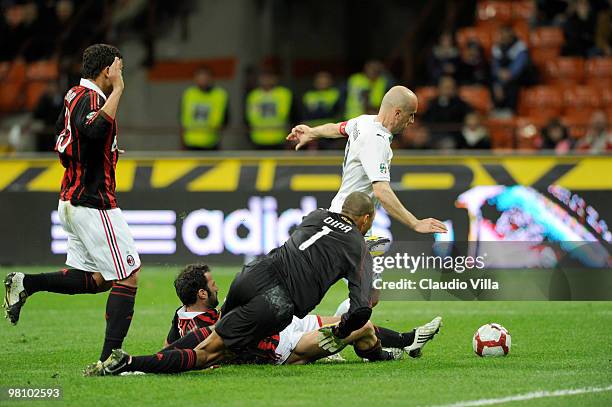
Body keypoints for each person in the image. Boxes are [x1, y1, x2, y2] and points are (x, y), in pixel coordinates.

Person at [87, 192, 403, 375]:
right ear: (366, 219)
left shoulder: (317, 215)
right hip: (279, 301)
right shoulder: (358, 247)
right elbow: (363, 308)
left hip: (253, 272)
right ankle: (129, 362)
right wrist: (342, 328)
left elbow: (323, 244)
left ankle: (143, 359)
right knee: (210, 354)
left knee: (214, 332)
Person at [3, 44, 141, 364]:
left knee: (98, 280)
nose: (121, 74)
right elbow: (93, 131)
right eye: (119, 68)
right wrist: (118, 91)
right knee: (128, 275)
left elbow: (68, 139)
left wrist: (108, 154)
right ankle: (111, 361)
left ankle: (27, 283)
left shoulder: (73, 96)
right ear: (107, 70)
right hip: (93, 202)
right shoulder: (93, 98)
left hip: (74, 199)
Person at [286, 86, 447, 322]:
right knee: (326, 290)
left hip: (353, 222)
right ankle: (307, 337)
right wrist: (415, 224)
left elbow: (338, 128)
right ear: (397, 113)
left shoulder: (364, 122)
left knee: (369, 295)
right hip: (345, 224)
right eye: (411, 114)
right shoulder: (376, 141)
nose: (412, 121)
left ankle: (328, 338)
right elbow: (381, 190)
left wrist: (312, 132)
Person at [158, 264, 439, 366]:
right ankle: (389, 351)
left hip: (279, 326)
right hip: (283, 349)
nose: (217, 286)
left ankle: (406, 340)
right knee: (360, 327)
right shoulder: (207, 324)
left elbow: (169, 347)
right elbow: (211, 350)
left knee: (351, 318)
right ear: (202, 295)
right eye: (212, 285)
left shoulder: (180, 316)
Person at [180, 66, 229, 150]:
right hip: (190, 143)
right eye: (199, 78)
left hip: (211, 143)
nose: (202, 80)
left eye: (205, 77)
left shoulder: (220, 95)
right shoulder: (189, 94)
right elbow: (182, 120)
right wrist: (181, 143)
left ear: (211, 78)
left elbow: (225, 120)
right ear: (195, 79)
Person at [245, 68, 294, 149]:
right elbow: (248, 118)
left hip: (279, 138)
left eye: (269, 77)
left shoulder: (284, 94)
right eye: (264, 77)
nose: (266, 80)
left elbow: (293, 115)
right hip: (258, 139)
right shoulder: (253, 95)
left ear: (275, 79)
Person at [422, 76, 472, 146]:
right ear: (439, 88)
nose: (448, 90)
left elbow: (468, 118)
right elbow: (426, 121)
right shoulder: (432, 104)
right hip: (434, 135)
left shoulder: (461, 104)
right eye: (446, 87)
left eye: (451, 88)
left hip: (455, 136)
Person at [491, 25, 530, 113]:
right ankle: (497, 110)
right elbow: (495, 67)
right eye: (502, 34)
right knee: (494, 84)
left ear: (511, 34)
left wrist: (510, 74)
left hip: (518, 78)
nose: (503, 37)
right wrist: (498, 81)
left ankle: (511, 111)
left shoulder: (520, 46)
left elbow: (519, 65)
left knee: (512, 86)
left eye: (506, 34)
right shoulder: (497, 47)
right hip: (502, 78)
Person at [301, 71, 342, 149]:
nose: (322, 82)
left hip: (330, 133)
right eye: (320, 79)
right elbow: (304, 114)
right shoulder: (308, 95)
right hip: (312, 131)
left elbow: (338, 113)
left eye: (325, 79)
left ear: (330, 81)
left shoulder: (335, 94)